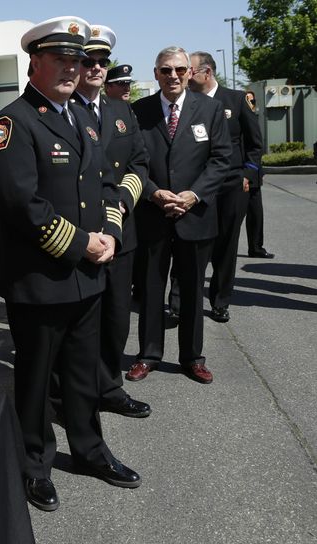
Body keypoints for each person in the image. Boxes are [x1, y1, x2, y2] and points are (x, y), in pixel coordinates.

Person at [0, 16, 141, 513]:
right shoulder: (13, 123)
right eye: (62, 59)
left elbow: (105, 185)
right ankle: (34, 466)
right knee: (34, 380)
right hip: (41, 280)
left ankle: (91, 450)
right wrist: (84, 245)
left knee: (82, 375)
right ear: (35, 61)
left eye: (79, 60)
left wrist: (112, 233)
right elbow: (22, 204)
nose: (74, 68)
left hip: (87, 275)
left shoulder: (82, 117)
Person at [126, 47, 231, 384]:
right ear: (155, 73)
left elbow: (221, 159)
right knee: (151, 288)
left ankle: (192, 357)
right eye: (165, 70)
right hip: (152, 215)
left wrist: (193, 194)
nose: (173, 76)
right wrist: (153, 192)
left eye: (179, 70)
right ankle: (148, 355)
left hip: (195, 216)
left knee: (190, 290)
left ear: (190, 73)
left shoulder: (211, 109)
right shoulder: (137, 111)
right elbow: (132, 163)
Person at [67, 26, 151, 418]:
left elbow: (138, 163)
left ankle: (109, 387)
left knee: (117, 316)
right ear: (76, 65)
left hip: (121, 230)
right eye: (89, 61)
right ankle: (75, 394)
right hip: (83, 233)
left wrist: (119, 211)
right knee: (81, 321)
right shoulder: (65, 107)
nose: (97, 67)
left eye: (103, 62)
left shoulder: (121, 110)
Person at [189, 51, 263, 323]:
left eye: (190, 70)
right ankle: (183, 300)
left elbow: (255, 144)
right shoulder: (188, 101)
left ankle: (220, 300)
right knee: (194, 242)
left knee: (227, 244)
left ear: (207, 73)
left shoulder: (236, 99)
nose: (185, 76)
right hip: (197, 184)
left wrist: (248, 174)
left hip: (232, 183)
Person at [243, 91, 275, 258]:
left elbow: (256, 147)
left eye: (252, 100)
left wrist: (257, 171)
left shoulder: (253, 118)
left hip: (254, 174)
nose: (250, 103)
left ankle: (255, 247)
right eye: (246, 100)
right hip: (239, 175)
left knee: (256, 213)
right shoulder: (233, 118)